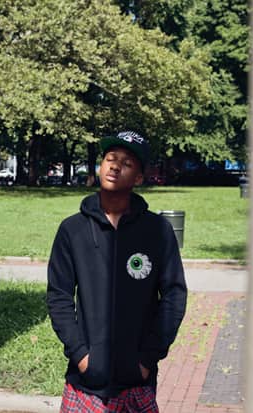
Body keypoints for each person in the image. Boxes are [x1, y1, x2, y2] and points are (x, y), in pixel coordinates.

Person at [46, 131, 188, 412]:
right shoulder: (72, 230)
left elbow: (174, 295)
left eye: (126, 163)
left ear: (139, 178)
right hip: (84, 383)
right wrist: (81, 355)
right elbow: (58, 296)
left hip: (136, 382)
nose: (114, 166)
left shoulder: (157, 231)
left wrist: (147, 359)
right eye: (110, 158)